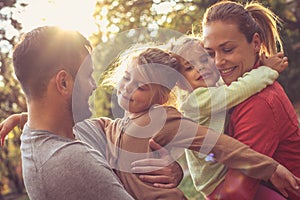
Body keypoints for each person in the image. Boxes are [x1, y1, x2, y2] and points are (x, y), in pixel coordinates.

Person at [2, 46, 300, 199]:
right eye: (128, 79)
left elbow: (220, 146)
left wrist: (270, 168)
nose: (129, 89)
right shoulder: (111, 125)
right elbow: (75, 124)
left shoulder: (163, 121)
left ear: (159, 96)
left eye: (142, 87)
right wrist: (25, 116)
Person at [7, 25, 135, 200]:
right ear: (64, 83)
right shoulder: (70, 161)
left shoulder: (45, 134)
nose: (94, 86)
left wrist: (21, 118)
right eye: (88, 76)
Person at [200, 1, 300, 199]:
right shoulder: (230, 92)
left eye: (227, 49)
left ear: (255, 43)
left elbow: (236, 193)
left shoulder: (259, 103)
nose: (218, 62)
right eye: (209, 53)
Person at [169, 35, 288, 198]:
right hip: (216, 182)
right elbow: (240, 90)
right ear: (182, 83)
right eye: (189, 67)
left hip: (228, 170)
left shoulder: (214, 86)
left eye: (204, 59)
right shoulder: (195, 101)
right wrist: (267, 71)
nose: (200, 68)